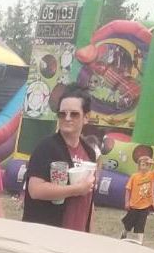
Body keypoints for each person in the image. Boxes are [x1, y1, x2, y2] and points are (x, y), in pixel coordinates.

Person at [22, 92, 100, 230]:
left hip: (78, 234)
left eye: (74, 114)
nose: (67, 118)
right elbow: (35, 190)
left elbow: (89, 199)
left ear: (86, 117)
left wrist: (89, 233)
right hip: (47, 232)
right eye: (62, 114)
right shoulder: (46, 147)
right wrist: (76, 190)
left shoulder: (89, 152)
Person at [121, 143, 154, 242]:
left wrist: (152, 162)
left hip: (145, 205)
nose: (144, 167)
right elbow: (128, 189)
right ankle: (124, 233)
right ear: (139, 166)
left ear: (149, 166)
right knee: (129, 224)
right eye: (142, 165)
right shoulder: (134, 176)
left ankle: (140, 241)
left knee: (141, 224)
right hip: (134, 205)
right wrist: (127, 202)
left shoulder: (151, 175)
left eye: (147, 165)